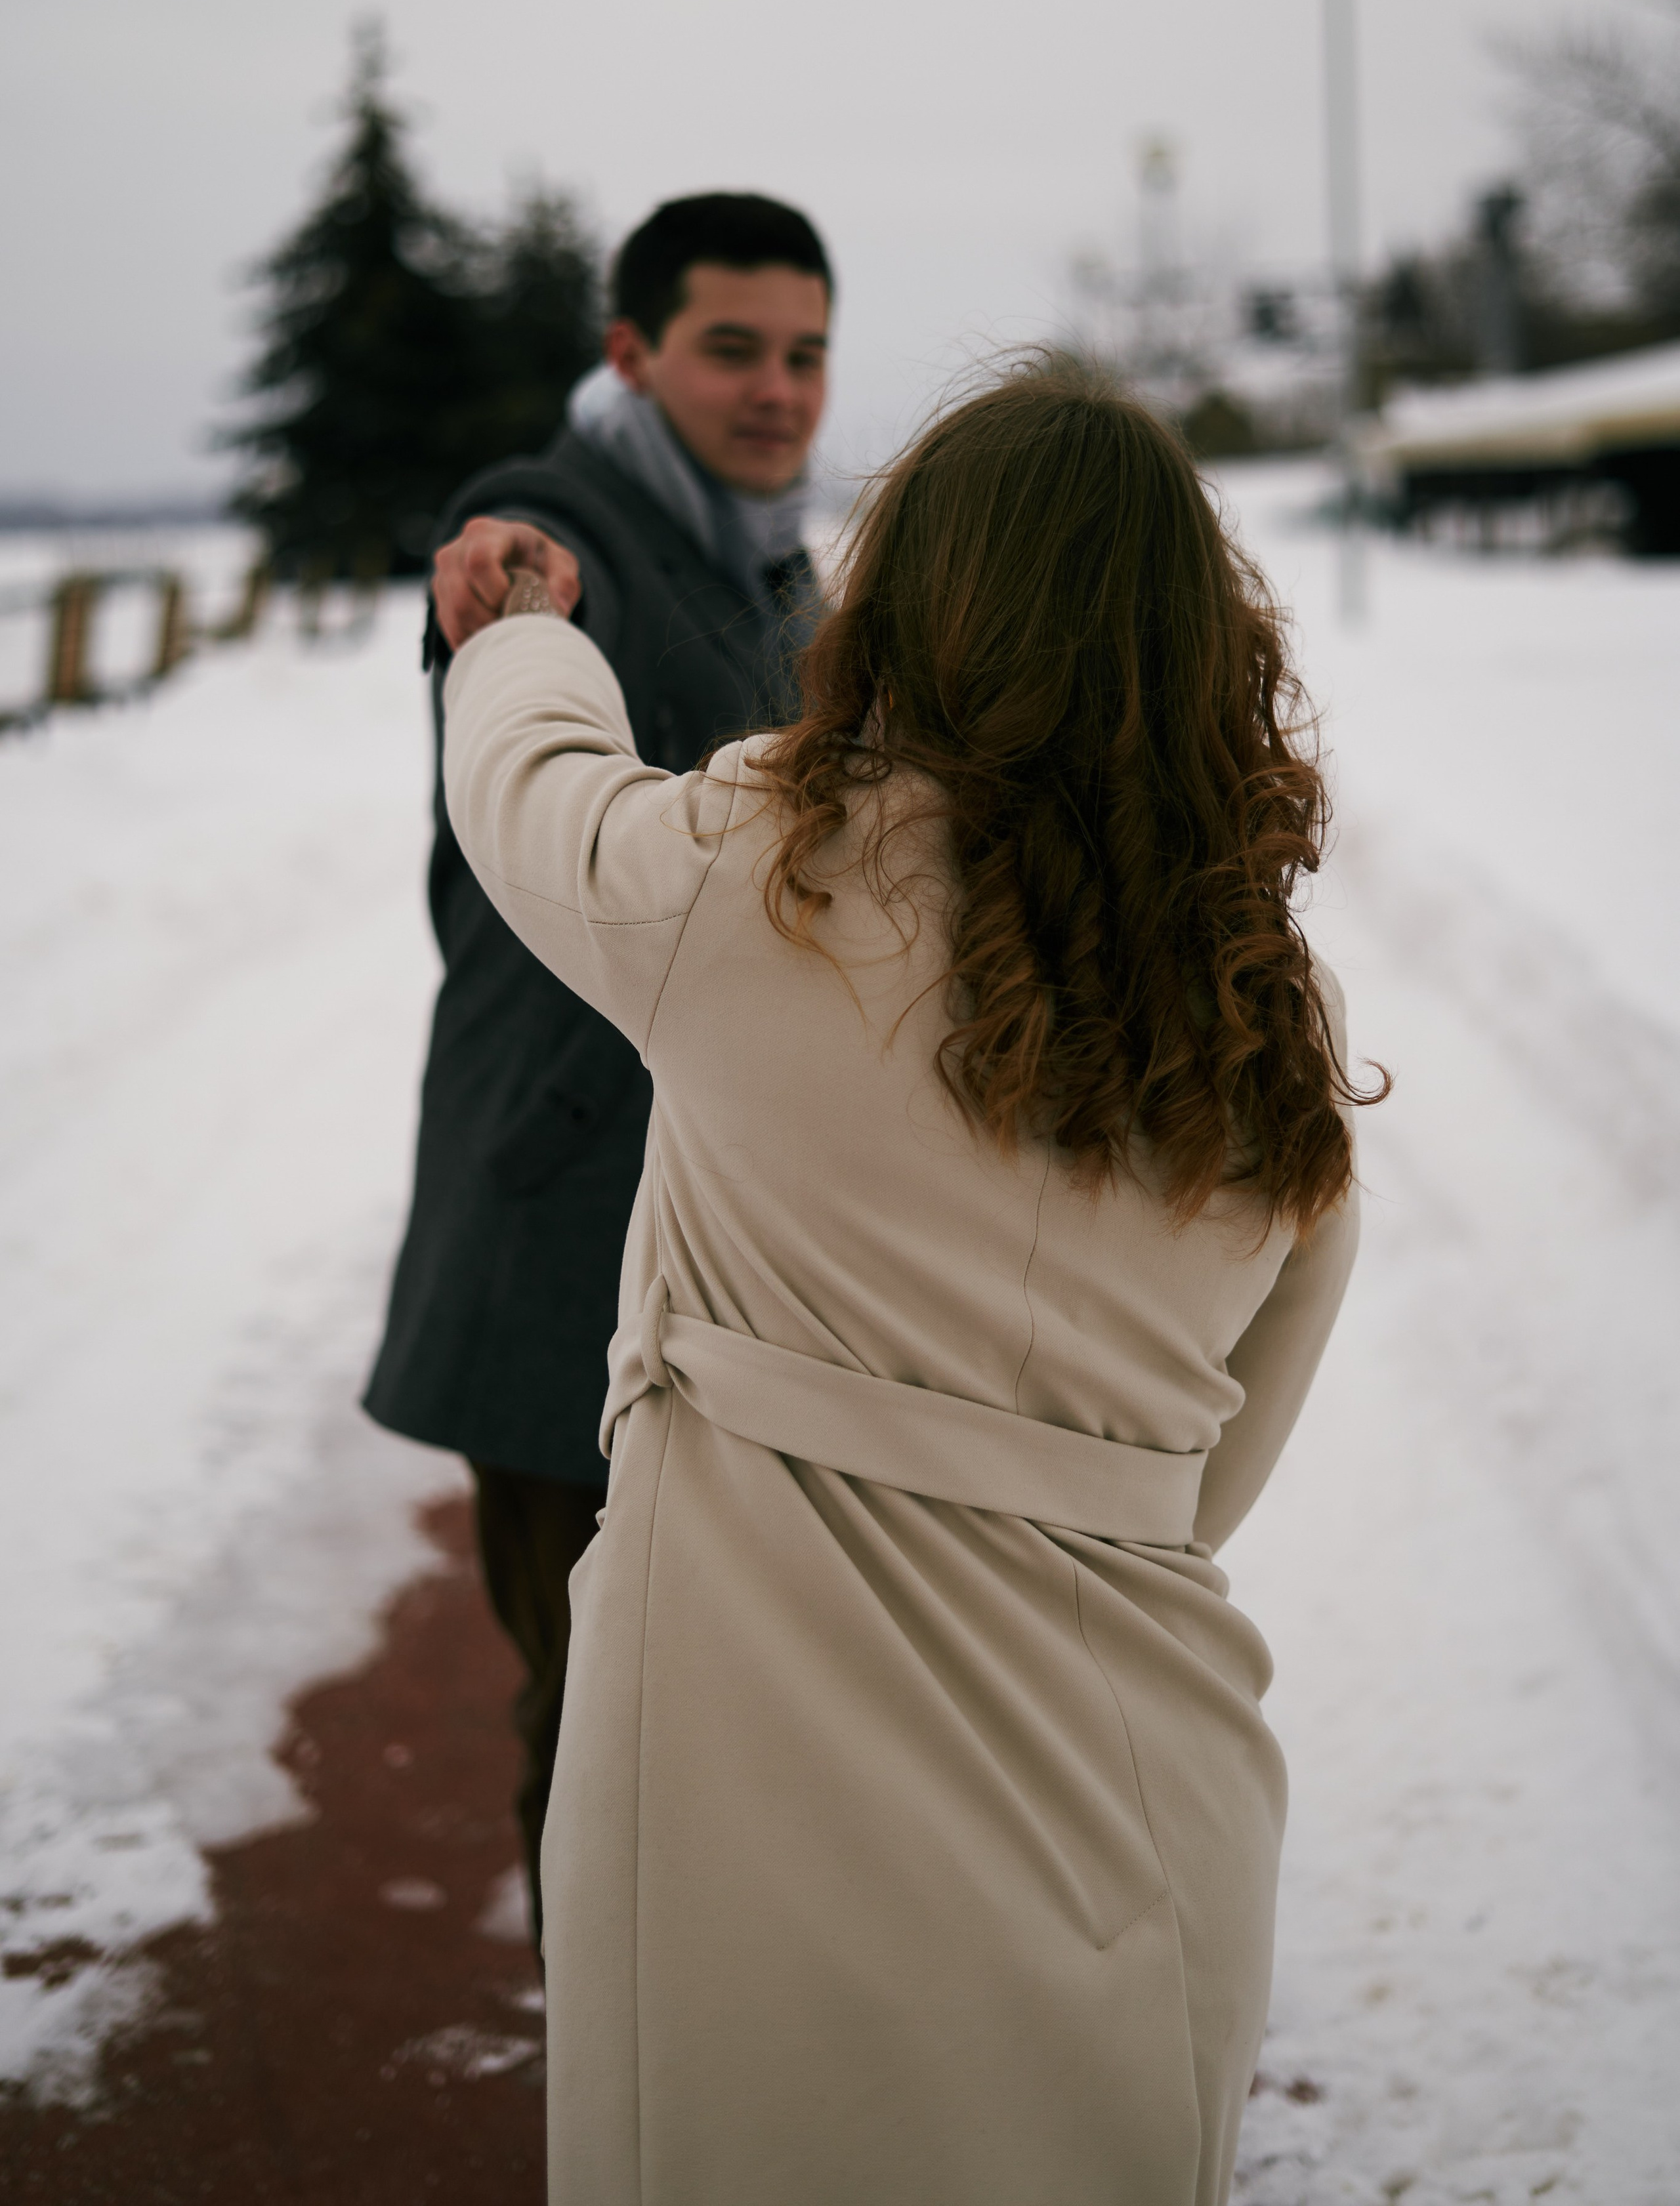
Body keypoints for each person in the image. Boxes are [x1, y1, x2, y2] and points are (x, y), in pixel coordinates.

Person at [431, 362, 1379, 2205]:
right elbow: (1214, 1474)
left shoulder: (749, 881)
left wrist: (529, 632)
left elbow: (533, 793)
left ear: (908, 602)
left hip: (747, 1776)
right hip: (1134, 1785)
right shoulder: (1262, 1013)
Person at [362, 193, 833, 1937]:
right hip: (567, 1209)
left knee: (713, 1729)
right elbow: (512, 570)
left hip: (718, 1230)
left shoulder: (764, 545)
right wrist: (499, 591)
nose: (779, 390)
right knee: (604, 1732)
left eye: (804, 352)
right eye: (733, 349)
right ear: (628, 355)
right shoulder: (578, 517)